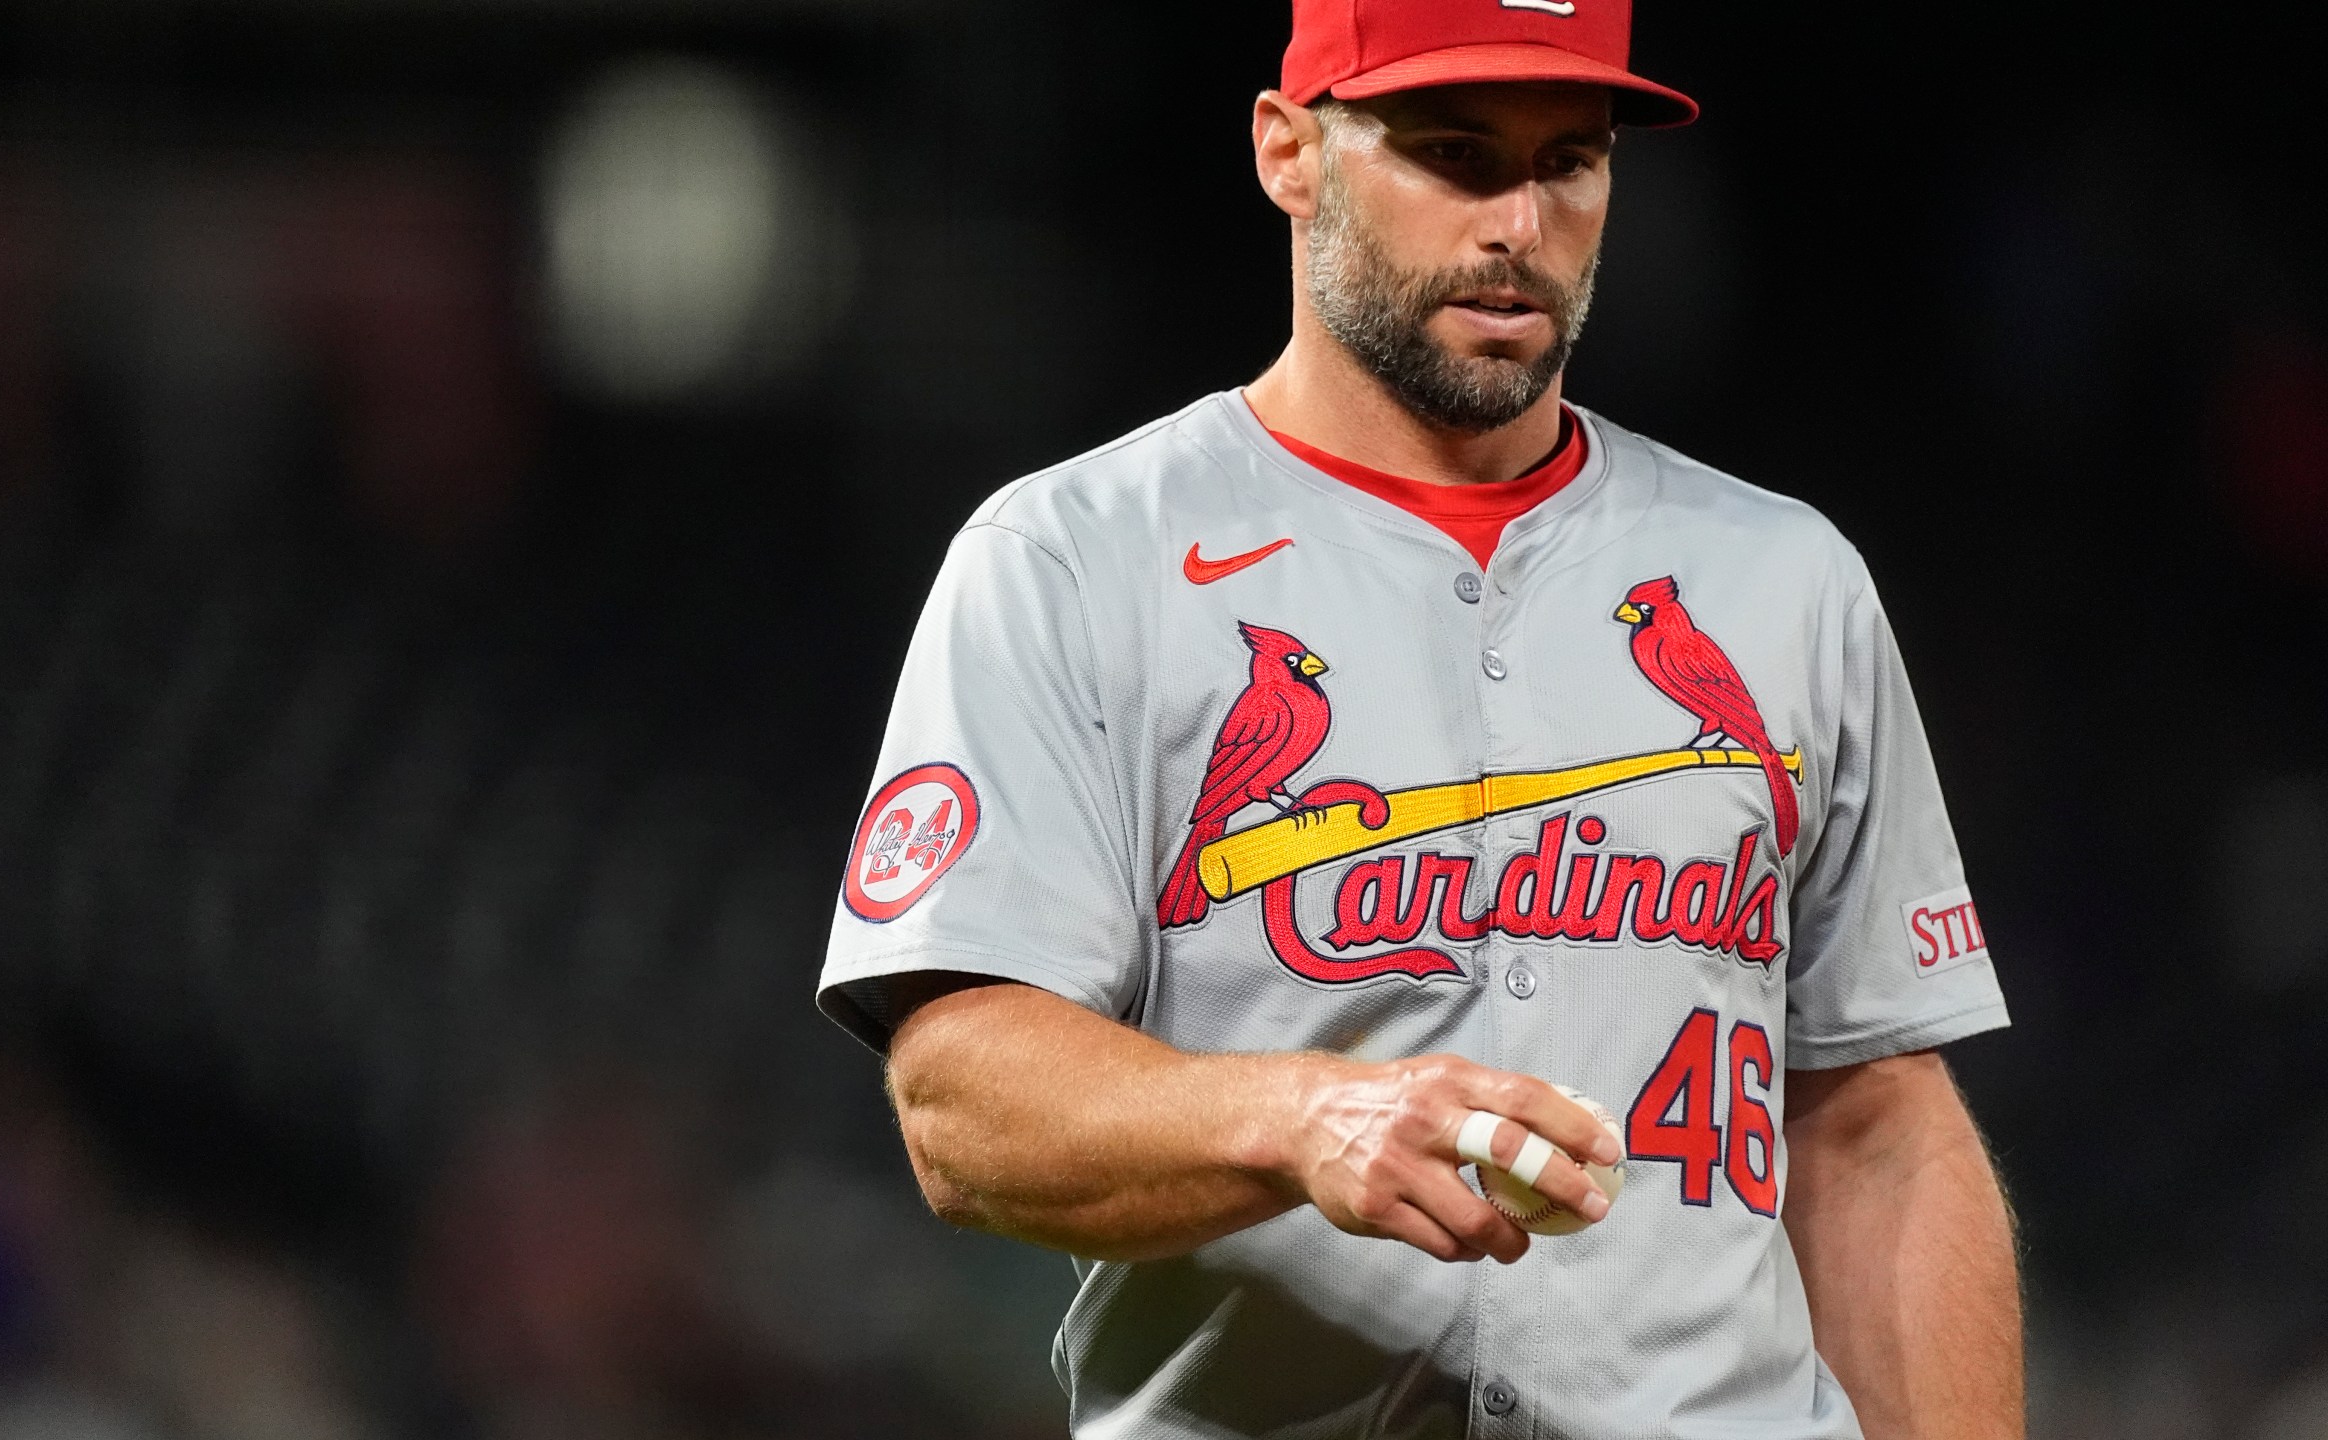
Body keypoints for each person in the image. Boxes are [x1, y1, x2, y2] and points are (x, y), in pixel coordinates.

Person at [817, 1, 2020, 1435]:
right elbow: (961, 1098)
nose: (1518, 219)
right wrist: (1299, 1117)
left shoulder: (1786, 580)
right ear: (1289, 152)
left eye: (1568, 161)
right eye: (1453, 154)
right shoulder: (1080, 557)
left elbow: (1879, 1128)